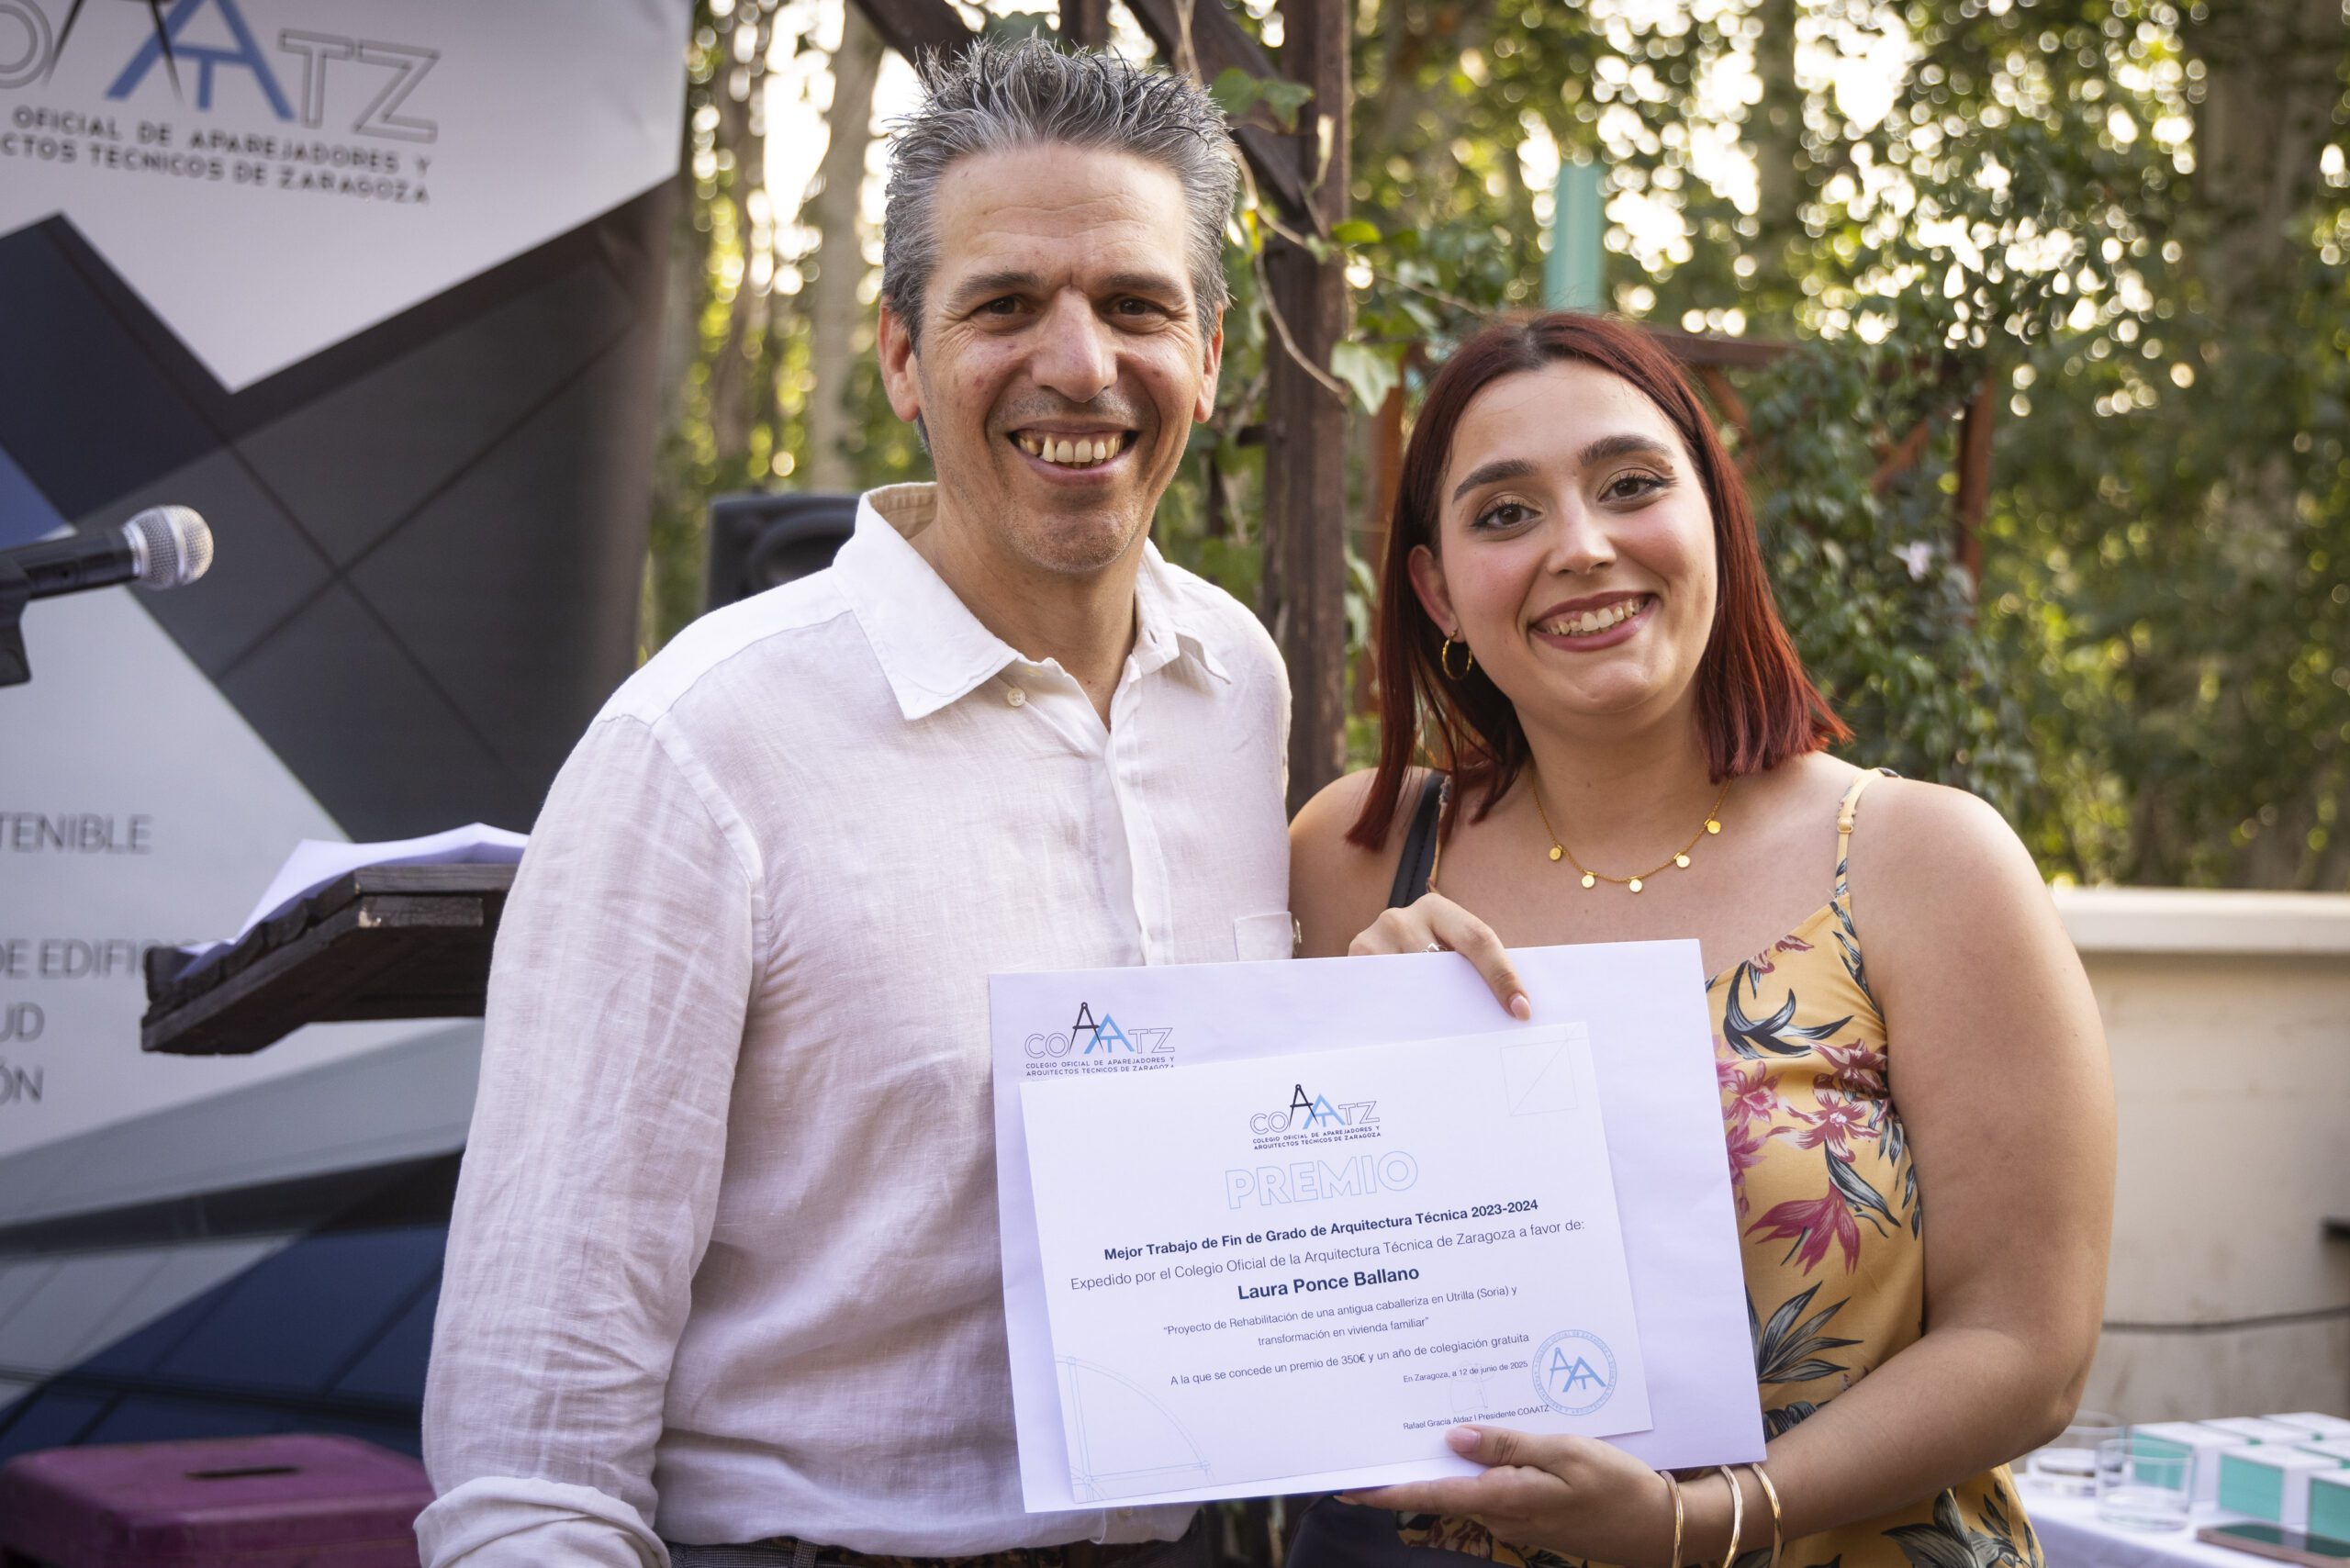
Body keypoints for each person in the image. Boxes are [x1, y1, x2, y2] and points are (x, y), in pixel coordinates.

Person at [418, 39, 1294, 1568]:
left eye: (1135, 305)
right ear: (901, 357)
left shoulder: (1235, 685)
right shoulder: (700, 747)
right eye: (1004, 305)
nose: (1081, 365)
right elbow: (532, 1451)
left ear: (1208, 354)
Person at [1286, 314, 2114, 1568]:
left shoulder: (1924, 863)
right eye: (1505, 513)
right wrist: (1356, 1064)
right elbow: (1280, 1288)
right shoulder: (1354, 856)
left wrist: (1698, 1523)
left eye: (1630, 486)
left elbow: (2025, 1349)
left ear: (1715, 518)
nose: (1581, 546)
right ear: (1438, 590)